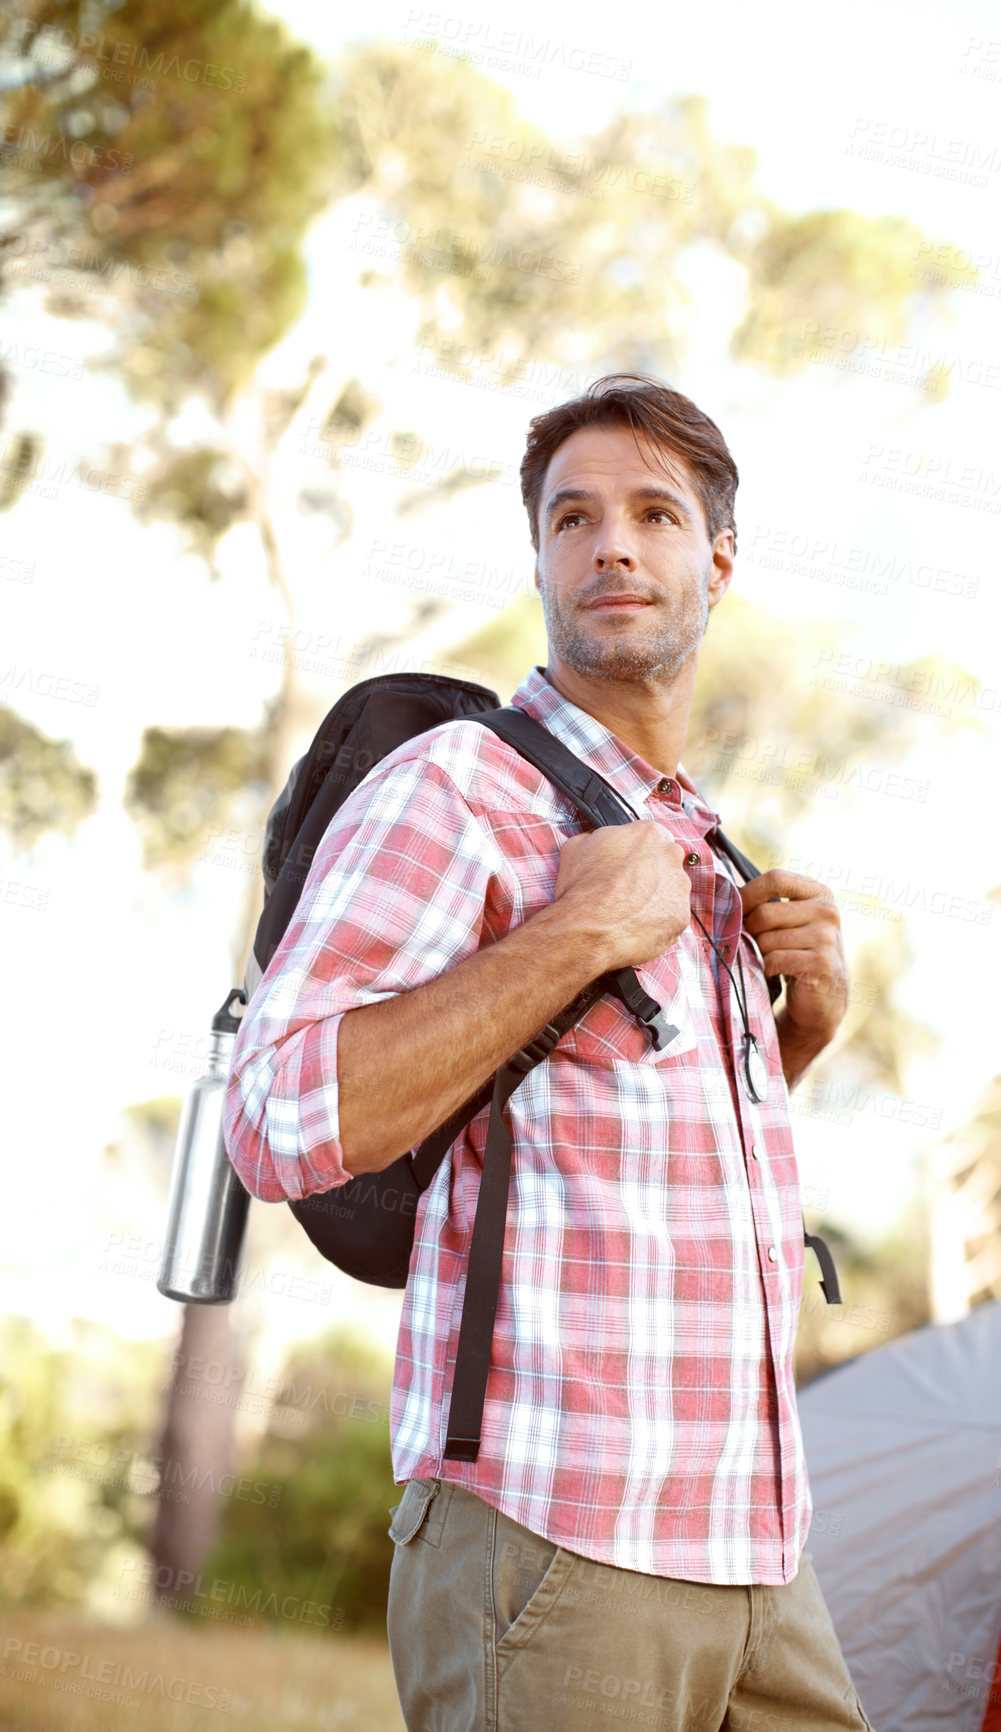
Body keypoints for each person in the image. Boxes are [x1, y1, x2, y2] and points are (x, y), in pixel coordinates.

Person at [226, 374, 869, 1730]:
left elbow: (639, 1170)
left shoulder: (701, 844)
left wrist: (798, 1037)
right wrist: (571, 938)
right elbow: (277, 1119)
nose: (612, 545)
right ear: (538, 562)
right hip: (553, 1541)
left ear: (718, 561)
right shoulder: (454, 788)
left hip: (755, 1545)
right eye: (571, 518)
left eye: (652, 514)